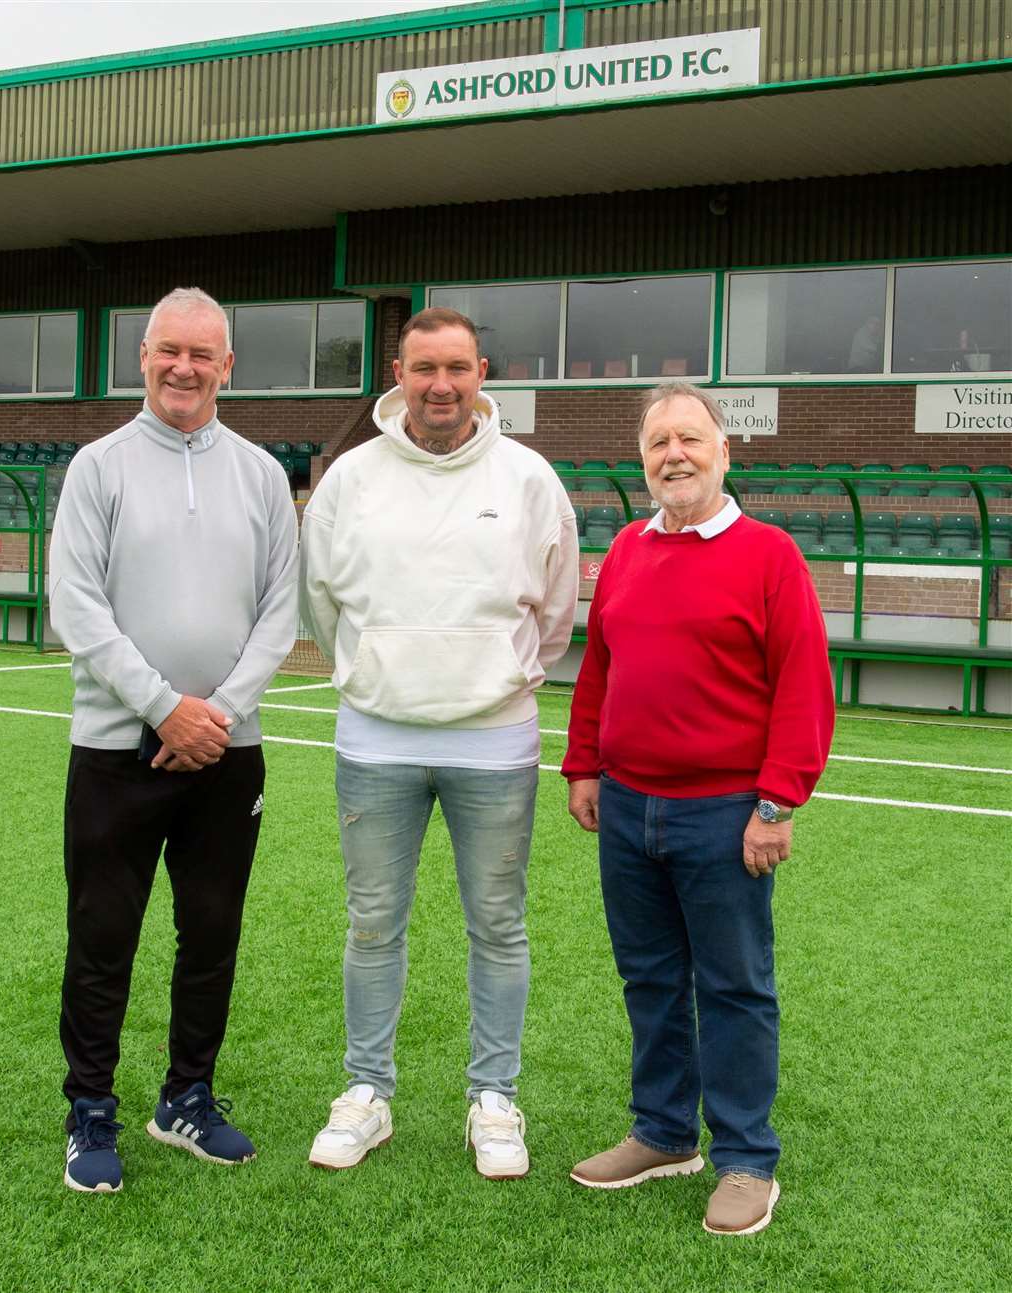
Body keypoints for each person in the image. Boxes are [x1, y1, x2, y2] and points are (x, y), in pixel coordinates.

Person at [300, 306, 578, 1179]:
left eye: (457, 368)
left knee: (497, 924)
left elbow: (557, 612)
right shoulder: (351, 478)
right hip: (375, 739)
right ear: (399, 371)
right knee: (373, 922)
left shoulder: (530, 477)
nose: (441, 385)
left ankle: (493, 1099)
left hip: (494, 743)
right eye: (424, 368)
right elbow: (322, 600)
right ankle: (366, 1092)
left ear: (482, 372)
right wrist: (375, 670)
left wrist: (492, 676)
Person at [562, 381, 833, 1235]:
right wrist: (583, 766)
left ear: (724, 452)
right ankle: (664, 1130)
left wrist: (779, 798)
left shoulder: (769, 554)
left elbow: (803, 684)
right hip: (629, 807)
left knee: (734, 986)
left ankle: (747, 1156)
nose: (672, 454)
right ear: (642, 461)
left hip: (724, 814)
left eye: (689, 438)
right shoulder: (627, 552)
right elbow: (599, 669)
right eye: (656, 443)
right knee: (649, 979)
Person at [49, 287, 299, 1193]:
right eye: (167, 352)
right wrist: (165, 707)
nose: (183, 368)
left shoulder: (263, 475)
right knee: (103, 932)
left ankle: (186, 1096)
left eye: (202, 354)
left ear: (227, 365)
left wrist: (216, 713)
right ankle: (90, 1109)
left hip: (228, 752)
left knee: (211, 932)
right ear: (143, 358)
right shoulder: (99, 467)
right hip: (119, 748)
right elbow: (76, 604)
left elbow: (282, 610)